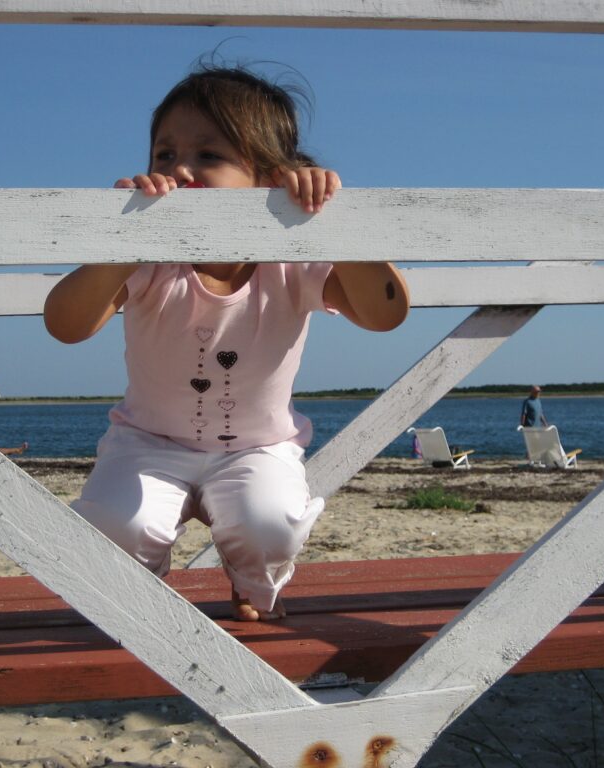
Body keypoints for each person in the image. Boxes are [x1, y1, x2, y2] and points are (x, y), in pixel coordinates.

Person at [44, 65, 409, 622]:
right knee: (117, 527)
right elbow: (66, 324)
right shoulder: (150, 261)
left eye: (208, 156)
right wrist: (119, 242)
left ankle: (251, 582)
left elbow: (385, 313)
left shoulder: (291, 260)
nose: (179, 170)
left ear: (270, 177)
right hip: (148, 443)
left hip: (255, 446)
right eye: (164, 155)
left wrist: (331, 225)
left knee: (269, 524)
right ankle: (146, 586)